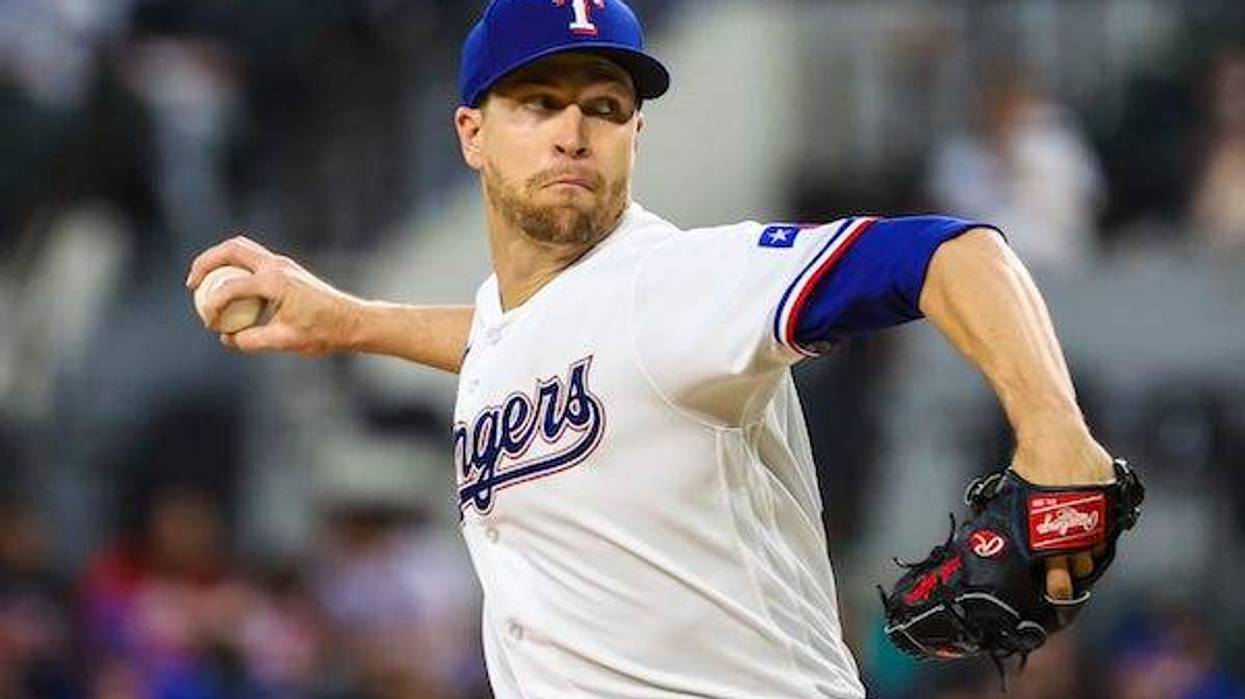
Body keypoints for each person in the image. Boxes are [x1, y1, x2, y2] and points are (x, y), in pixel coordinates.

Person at [187, 1, 1118, 696]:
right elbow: (509, 339)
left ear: (635, 131)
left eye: (602, 104)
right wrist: (347, 319)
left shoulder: (675, 281)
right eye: (537, 101)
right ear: (471, 133)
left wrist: (1057, 444)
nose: (571, 131)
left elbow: (950, 253)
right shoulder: (541, 322)